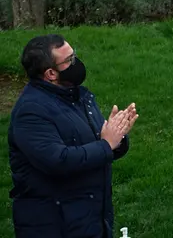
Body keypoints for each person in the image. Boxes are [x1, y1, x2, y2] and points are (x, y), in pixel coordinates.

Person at [8, 34, 139, 238]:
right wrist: (106, 144)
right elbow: (58, 161)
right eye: (69, 60)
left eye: (74, 55)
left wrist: (117, 137)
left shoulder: (77, 96)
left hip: (88, 217)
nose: (76, 62)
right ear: (51, 73)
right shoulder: (31, 111)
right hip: (55, 224)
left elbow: (96, 145)